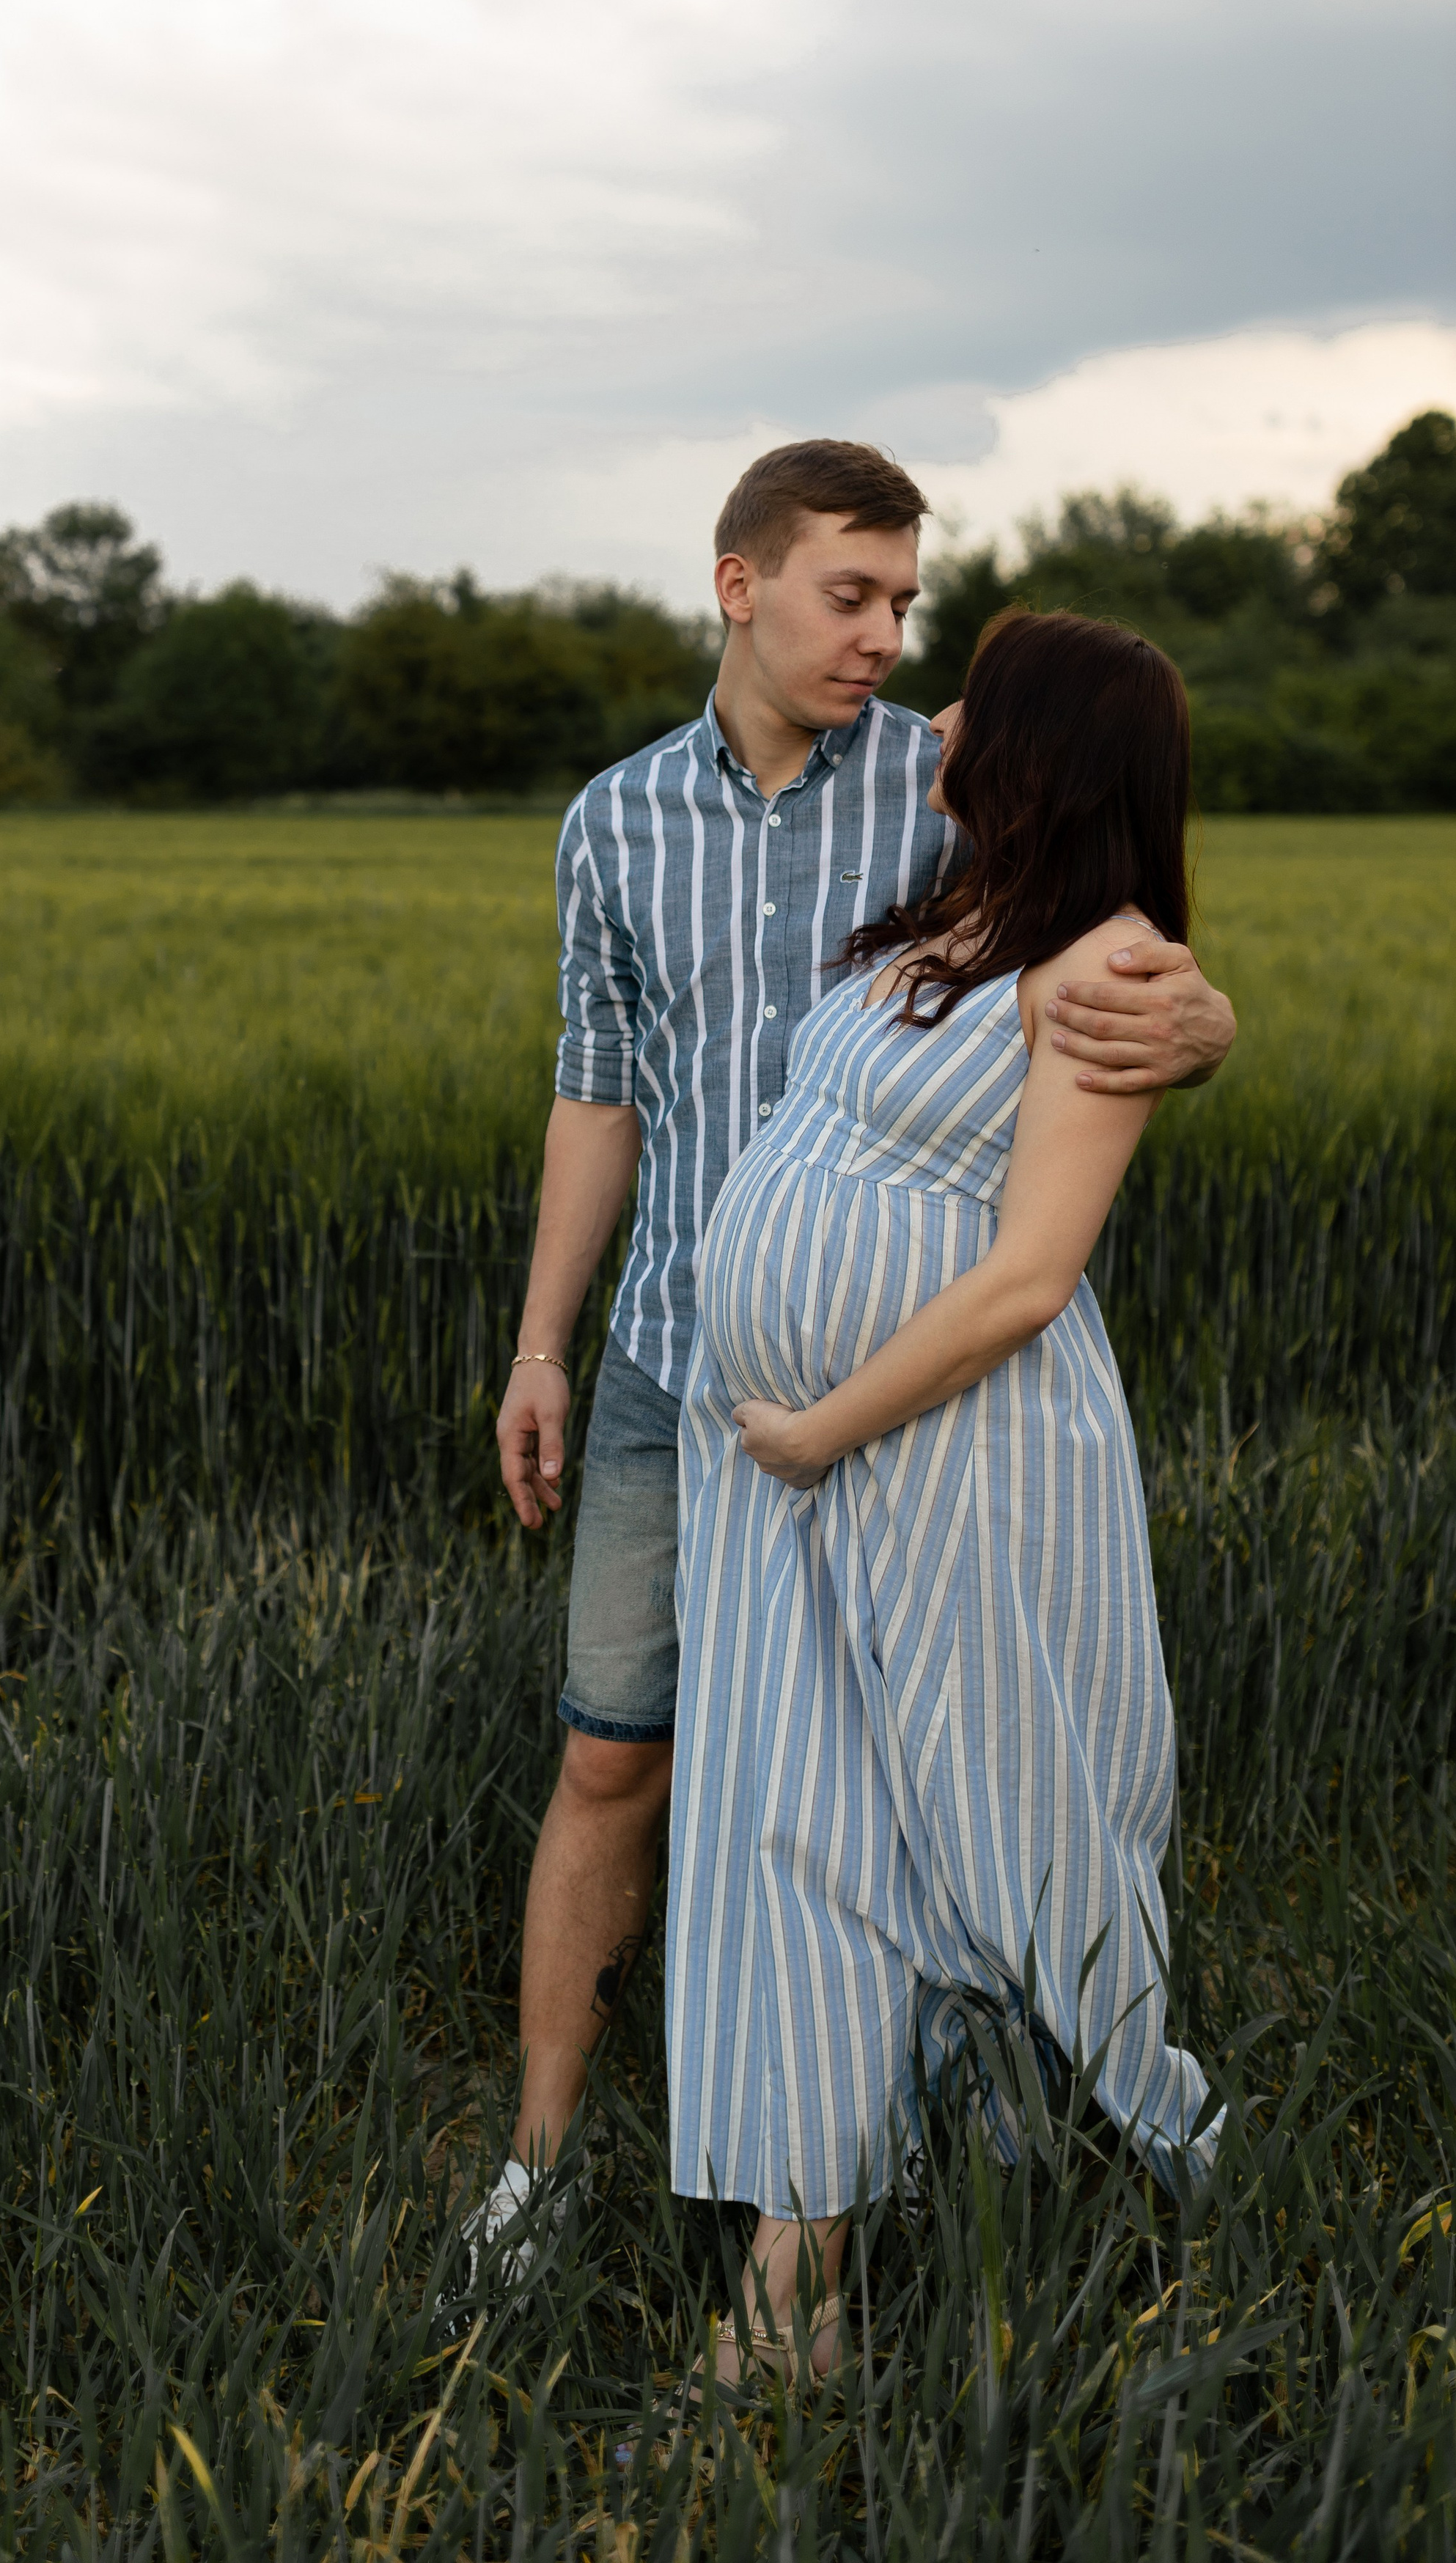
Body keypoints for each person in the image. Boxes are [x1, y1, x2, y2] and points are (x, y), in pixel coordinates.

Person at [476, 439, 1237, 2272]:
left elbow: (1111, 958)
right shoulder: (613, 821)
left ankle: (913, 2171)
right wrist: (539, 1347)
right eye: (852, 595)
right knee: (613, 1763)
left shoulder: (951, 786)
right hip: (677, 1368)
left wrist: (1199, 1021)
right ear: (737, 584)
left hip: (897, 1416)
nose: (889, 636)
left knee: (852, 1791)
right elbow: (599, 1095)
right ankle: (542, 2160)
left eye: (907, 599)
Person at [667, 608, 1220, 2389]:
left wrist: (823, 1426)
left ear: (1042, 741)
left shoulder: (1109, 969)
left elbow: (1025, 1280)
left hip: (941, 1459)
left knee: (994, 1821)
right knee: (796, 1825)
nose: (938, 702)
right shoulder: (949, 902)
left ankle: (1182, 2171)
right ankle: (796, 2293)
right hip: (779, 1462)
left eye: (975, 685)